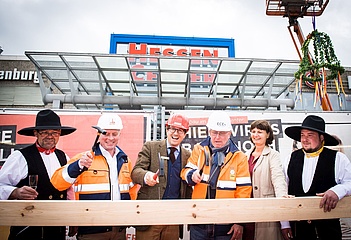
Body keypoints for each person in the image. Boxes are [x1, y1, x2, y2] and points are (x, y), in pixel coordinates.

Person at [51, 112, 137, 240]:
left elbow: (132, 191)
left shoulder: (125, 161)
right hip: (91, 230)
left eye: (115, 134)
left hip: (119, 230)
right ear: (98, 134)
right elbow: (57, 183)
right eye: (106, 133)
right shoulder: (83, 159)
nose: (110, 138)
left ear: (120, 134)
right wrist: (78, 166)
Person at [0, 109, 76, 240]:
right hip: (28, 228)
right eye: (45, 132)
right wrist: (15, 192)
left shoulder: (64, 157)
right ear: (36, 133)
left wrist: (73, 218)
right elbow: (1, 185)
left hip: (56, 227)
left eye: (55, 133)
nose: (50, 136)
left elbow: (69, 191)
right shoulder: (20, 157)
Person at [181, 111, 252, 240]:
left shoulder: (239, 157)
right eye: (214, 132)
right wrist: (191, 175)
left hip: (225, 226)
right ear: (209, 132)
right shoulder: (199, 149)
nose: (217, 137)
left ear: (229, 133)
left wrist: (239, 222)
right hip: (199, 222)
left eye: (222, 133)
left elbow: (244, 192)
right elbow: (184, 172)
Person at [284, 115, 351, 240]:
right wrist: (285, 224)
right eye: (302, 135)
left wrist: (337, 191)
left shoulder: (338, 158)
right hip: (299, 231)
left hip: (328, 231)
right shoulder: (291, 159)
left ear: (321, 138)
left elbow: (349, 183)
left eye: (310, 135)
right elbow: (284, 191)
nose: (304, 139)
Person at [131, 113, 192, 240]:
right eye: (173, 129)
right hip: (150, 216)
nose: (176, 133)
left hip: (173, 219)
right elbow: (136, 172)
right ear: (167, 129)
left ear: (185, 133)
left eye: (180, 130)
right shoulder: (151, 147)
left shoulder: (188, 155)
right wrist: (146, 176)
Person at [242, 120, 291, 240]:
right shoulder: (245, 155)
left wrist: (285, 221)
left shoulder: (273, 155)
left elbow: (278, 180)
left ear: (268, 134)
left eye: (260, 132)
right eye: (253, 131)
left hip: (266, 211)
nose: (256, 135)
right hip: (248, 212)